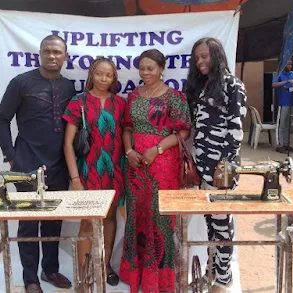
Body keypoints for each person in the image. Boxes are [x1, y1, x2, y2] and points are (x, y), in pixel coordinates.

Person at [0, 35, 74, 293]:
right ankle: (31, 279)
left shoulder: (69, 87)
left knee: (53, 220)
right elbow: (2, 119)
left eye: (57, 52)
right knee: (29, 221)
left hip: (59, 165)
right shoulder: (21, 83)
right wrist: (11, 155)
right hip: (26, 163)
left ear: (65, 56)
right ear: (39, 54)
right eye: (47, 51)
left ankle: (50, 270)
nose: (52, 56)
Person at [119, 49, 192, 293]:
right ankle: (136, 275)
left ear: (161, 69)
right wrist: (129, 151)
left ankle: (159, 279)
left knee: (160, 219)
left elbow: (183, 132)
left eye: (150, 68)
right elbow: (127, 126)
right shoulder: (133, 96)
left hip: (163, 165)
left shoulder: (175, 97)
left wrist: (156, 149)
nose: (145, 73)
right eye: (142, 68)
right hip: (135, 166)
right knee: (136, 216)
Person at [185, 37, 247, 293]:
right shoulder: (201, 87)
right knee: (211, 223)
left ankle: (224, 278)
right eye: (197, 58)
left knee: (222, 224)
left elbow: (236, 130)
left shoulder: (233, 85)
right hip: (203, 167)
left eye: (205, 56)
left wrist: (225, 166)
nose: (200, 62)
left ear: (217, 55)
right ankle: (213, 271)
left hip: (223, 168)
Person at [63, 57, 125, 286]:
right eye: (99, 73)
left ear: (113, 78)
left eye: (108, 75)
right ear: (91, 74)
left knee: (109, 219)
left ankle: (105, 264)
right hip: (88, 171)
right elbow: (68, 143)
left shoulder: (120, 103)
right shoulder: (78, 102)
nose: (103, 79)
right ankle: (83, 271)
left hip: (114, 172)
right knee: (88, 221)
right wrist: (75, 179)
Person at [272, 60, 293, 153]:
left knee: (288, 124)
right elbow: (274, 84)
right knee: (281, 124)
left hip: (292, 102)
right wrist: (287, 81)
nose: (290, 66)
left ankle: (286, 144)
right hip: (283, 102)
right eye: (288, 64)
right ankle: (280, 145)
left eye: (291, 64)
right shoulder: (278, 73)